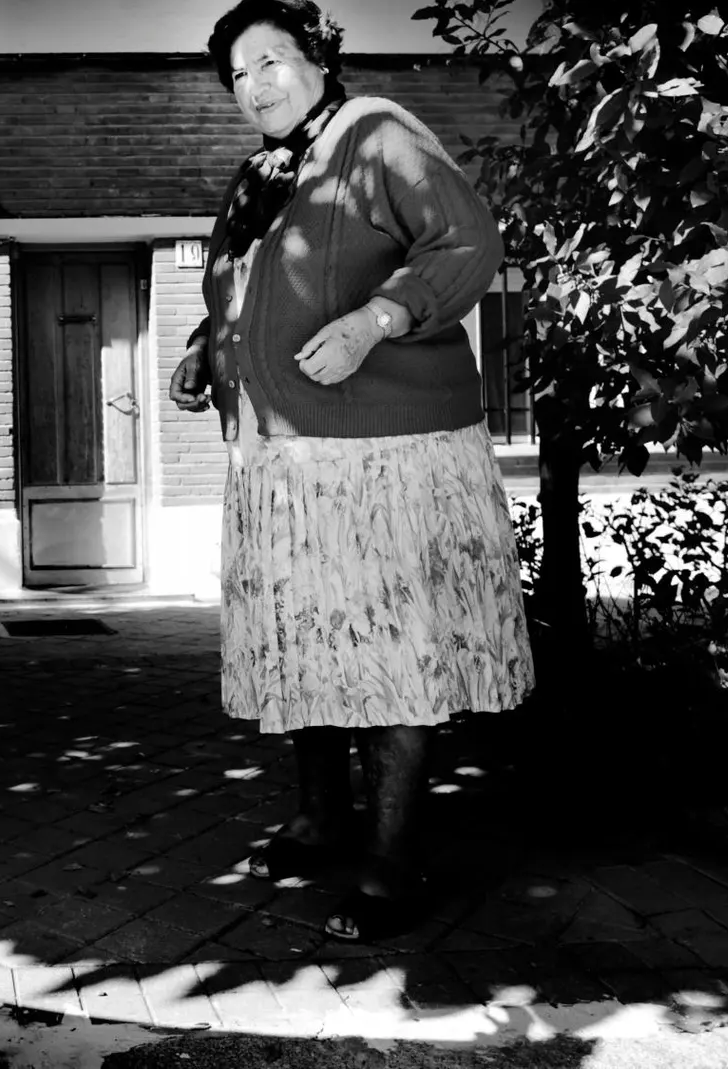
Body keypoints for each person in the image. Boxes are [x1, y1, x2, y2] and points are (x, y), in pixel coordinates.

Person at [168, 0, 535, 942]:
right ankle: (322, 818)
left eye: (270, 62)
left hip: (385, 458)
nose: (254, 87)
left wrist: (379, 320)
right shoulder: (260, 177)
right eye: (238, 75)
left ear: (319, 59)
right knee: (307, 649)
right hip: (278, 460)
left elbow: (467, 242)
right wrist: (208, 345)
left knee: (389, 653)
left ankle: (393, 862)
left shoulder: (376, 133)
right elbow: (253, 291)